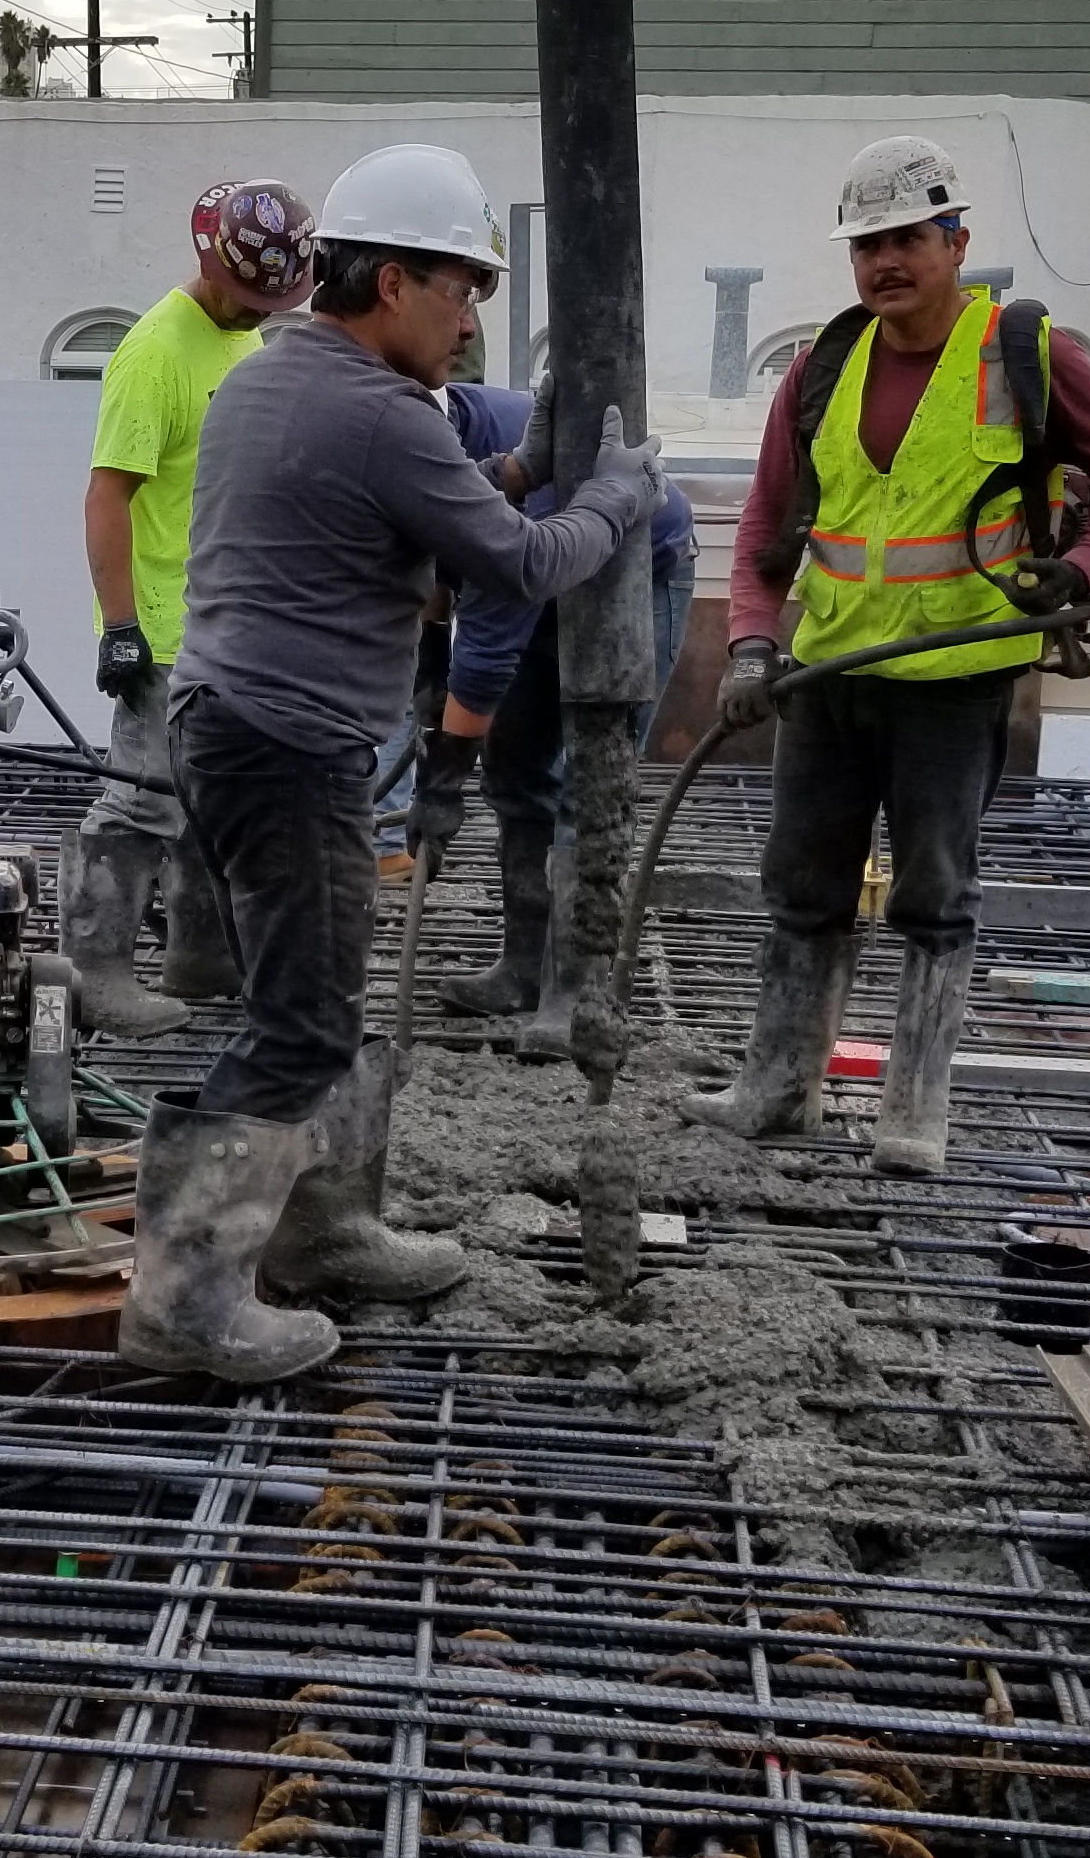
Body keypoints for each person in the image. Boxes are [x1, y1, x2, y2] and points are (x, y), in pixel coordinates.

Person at [125, 143, 657, 1382]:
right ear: (389, 283)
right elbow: (517, 565)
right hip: (287, 744)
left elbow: (408, 512)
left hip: (231, 726)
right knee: (302, 1025)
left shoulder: (272, 376)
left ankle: (323, 1234)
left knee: (310, 1003)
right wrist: (620, 496)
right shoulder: (378, 411)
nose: (470, 317)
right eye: (459, 286)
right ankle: (184, 1302)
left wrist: (518, 472)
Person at [691, 136, 1090, 1171]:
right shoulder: (823, 368)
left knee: (933, 893)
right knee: (803, 886)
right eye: (867, 244)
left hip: (954, 682)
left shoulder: (1025, 355)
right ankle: (778, 1089)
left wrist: (1081, 570)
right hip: (827, 680)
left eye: (908, 237)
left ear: (957, 241)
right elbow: (768, 524)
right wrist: (750, 647)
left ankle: (913, 1110)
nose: (885, 262)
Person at [70, 179, 319, 1036]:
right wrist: (120, 627)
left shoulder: (241, 344)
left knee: (213, 803)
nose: (262, 312)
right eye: (252, 296)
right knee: (141, 799)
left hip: (225, 626)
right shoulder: (154, 354)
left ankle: (200, 961)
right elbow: (108, 498)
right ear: (211, 265)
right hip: (166, 628)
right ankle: (96, 975)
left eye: (274, 300)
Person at [415, 355, 698, 1042]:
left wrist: (444, 778)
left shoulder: (487, 466)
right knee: (515, 774)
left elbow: (484, 656)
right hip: (544, 572)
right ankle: (521, 970)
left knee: (588, 786)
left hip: (635, 571)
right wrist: (429, 661)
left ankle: (574, 992)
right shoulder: (410, 446)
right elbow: (431, 563)